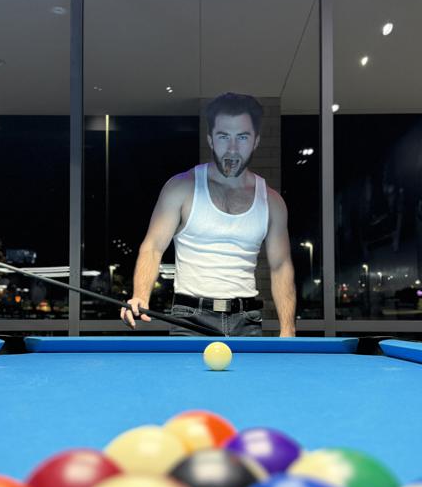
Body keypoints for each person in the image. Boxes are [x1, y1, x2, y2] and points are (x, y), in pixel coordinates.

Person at [121, 92, 296, 337]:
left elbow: (280, 266)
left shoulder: (272, 201)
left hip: (247, 320)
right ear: (210, 140)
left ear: (255, 141)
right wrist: (140, 295)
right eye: (224, 136)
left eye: (242, 137)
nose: (232, 148)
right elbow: (153, 246)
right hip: (190, 318)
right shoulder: (181, 188)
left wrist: (288, 328)